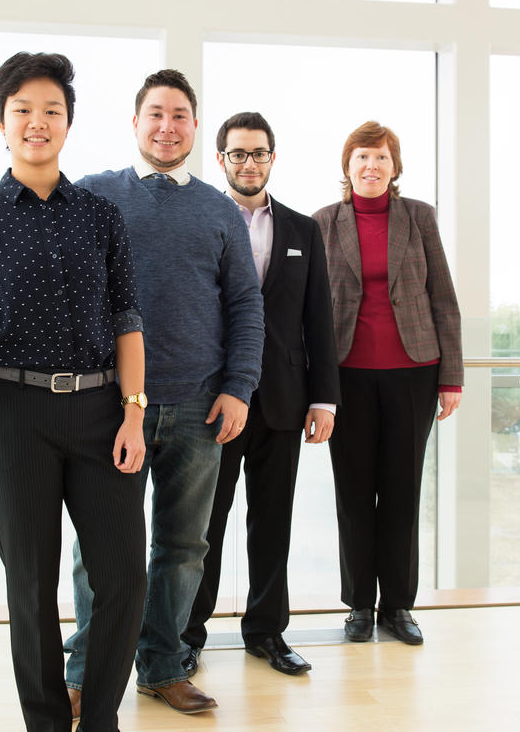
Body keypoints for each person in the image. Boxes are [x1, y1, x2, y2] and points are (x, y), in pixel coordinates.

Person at [0, 52, 147, 732]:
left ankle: (99, 720)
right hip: (12, 415)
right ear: (1, 122)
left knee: (123, 579)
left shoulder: (100, 215)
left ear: (68, 123)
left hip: (100, 410)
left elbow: (127, 318)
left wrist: (134, 413)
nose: (37, 122)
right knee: (31, 589)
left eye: (51, 110)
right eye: (23, 110)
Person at [64, 70, 264, 715]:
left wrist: (238, 389)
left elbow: (244, 306)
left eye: (179, 115)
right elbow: (39, 264)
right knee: (99, 550)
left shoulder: (218, 210)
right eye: (155, 114)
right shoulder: (94, 196)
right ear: (134, 122)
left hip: (198, 411)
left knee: (182, 548)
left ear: (195, 127)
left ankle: (162, 666)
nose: (166, 126)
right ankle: (85, 674)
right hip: (110, 407)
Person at [182, 112, 340, 676]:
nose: (248, 163)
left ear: (273, 158)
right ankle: (188, 634)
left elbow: (318, 320)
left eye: (259, 153)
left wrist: (324, 398)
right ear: (220, 159)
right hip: (214, 400)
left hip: (283, 400)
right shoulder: (201, 221)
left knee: (272, 522)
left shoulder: (303, 230)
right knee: (205, 526)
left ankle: (267, 633)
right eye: (237, 153)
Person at [313, 121, 463, 646]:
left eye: (380, 158)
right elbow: (311, 309)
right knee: (353, 493)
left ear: (394, 167)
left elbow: (443, 297)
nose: (371, 167)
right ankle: (358, 605)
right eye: (361, 158)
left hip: (414, 373)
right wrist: (316, 384)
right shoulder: (323, 223)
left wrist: (452, 379)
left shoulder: (418, 217)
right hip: (346, 376)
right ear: (347, 166)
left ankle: (398, 606)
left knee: (402, 491)